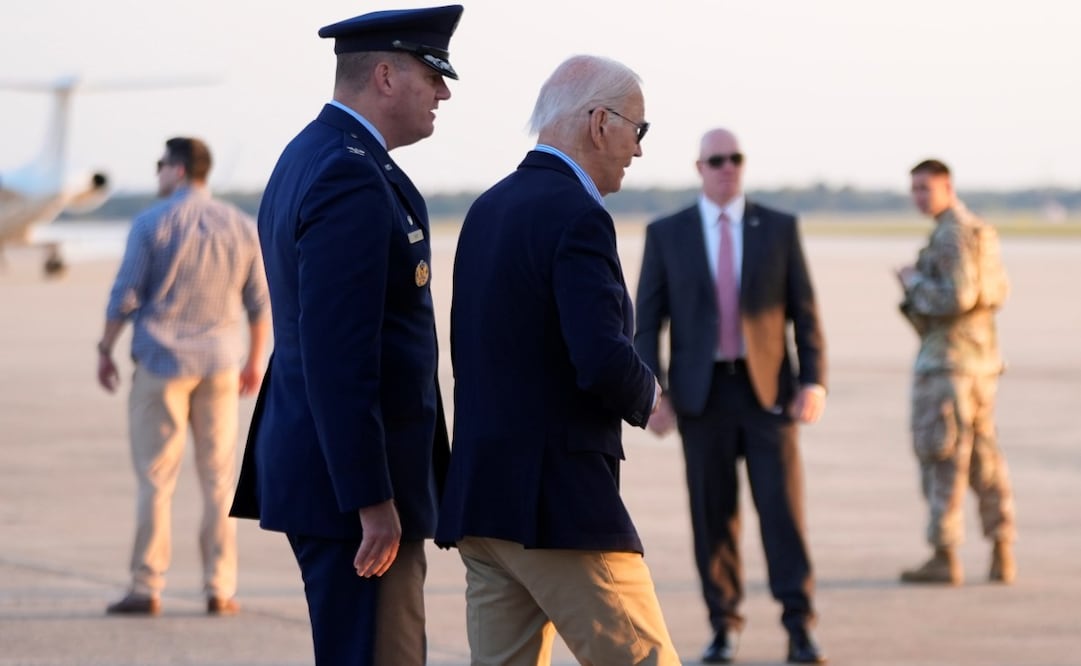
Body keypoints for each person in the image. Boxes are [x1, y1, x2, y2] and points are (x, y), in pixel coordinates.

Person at [228, 6, 462, 666]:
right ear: (385, 76)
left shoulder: (314, 154)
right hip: (353, 493)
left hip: (334, 476)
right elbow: (339, 354)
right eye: (432, 75)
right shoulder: (349, 173)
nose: (443, 94)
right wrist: (371, 498)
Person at [435, 55, 680, 666]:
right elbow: (599, 357)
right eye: (638, 130)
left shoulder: (488, 207)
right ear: (600, 123)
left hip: (483, 500)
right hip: (557, 505)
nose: (638, 149)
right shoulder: (578, 215)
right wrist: (652, 394)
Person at [634, 128, 828, 664]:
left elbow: (805, 312)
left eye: (735, 159)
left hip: (769, 397)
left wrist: (813, 381)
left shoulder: (779, 227)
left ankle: (800, 627)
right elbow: (647, 321)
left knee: (783, 515)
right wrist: (653, 392)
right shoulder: (667, 233)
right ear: (700, 167)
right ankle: (724, 626)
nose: (727, 168)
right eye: (716, 160)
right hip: (701, 399)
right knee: (712, 517)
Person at [97, 137, 270, 616]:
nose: (157, 173)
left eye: (160, 165)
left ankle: (146, 584)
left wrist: (105, 349)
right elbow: (259, 302)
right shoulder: (240, 225)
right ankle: (220, 587)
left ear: (177, 170)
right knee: (218, 481)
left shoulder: (151, 223)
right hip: (219, 364)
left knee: (156, 479)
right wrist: (255, 360)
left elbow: (124, 295)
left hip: (161, 364)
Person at [896, 159, 1016, 585]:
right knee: (985, 457)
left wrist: (913, 284)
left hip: (950, 365)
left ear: (947, 187)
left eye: (925, 188)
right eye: (914, 189)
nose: (919, 197)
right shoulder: (980, 231)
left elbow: (958, 296)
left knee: (943, 456)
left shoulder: (952, 234)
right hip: (981, 363)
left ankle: (944, 553)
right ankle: (1002, 546)